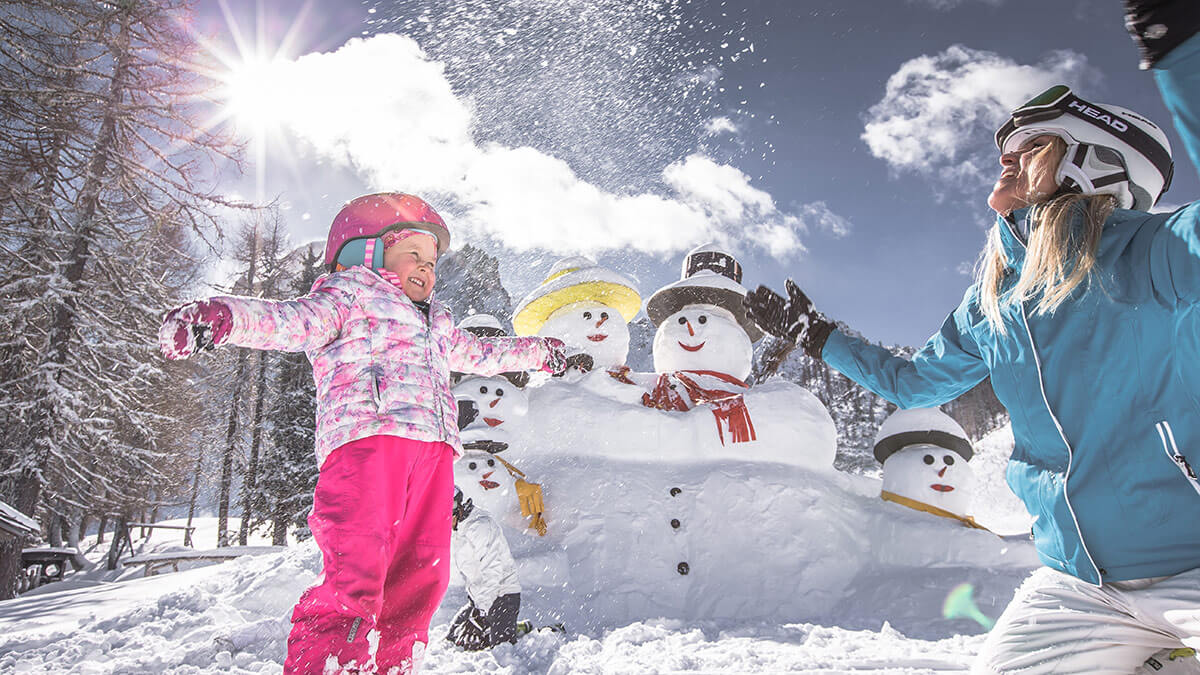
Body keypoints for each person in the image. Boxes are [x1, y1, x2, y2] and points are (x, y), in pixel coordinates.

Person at [744, 4, 1200, 674]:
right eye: (1003, 155)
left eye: (1030, 150)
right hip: (1077, 585)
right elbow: (915, 383)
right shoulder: (994, 298)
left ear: (1096, 163)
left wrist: (1180, 48)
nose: (1005, 166)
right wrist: (819, 336)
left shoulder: (1153, 251)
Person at [159, 193, 567, 674]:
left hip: (433, 456)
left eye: (432, 262)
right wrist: (225, 318)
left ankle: (396, 663)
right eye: (412, 253)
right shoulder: (348, 296)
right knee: (357, 573)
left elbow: (483, 354)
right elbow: (291, 321)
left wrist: (541, 352)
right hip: (367, 445)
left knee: (422, 579)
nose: (426, 268)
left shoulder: (439, 323)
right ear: (370, 252)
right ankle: (328, 664)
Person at [446, 486, 523, 651]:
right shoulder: (459, 527)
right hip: (479, 599)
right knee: (453, 639)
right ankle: (507, 627)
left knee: (501, 648)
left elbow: (492, 571)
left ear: (457, 509)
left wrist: (481, 615)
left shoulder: (480, 526)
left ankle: (532, 631)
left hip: (502, 596)